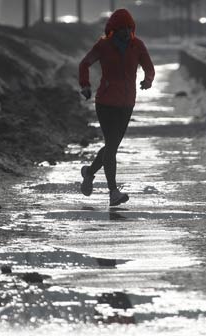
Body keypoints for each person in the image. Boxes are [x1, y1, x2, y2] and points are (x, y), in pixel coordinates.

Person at [78, 8, 155, 206]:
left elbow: (149, 68)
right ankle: (113, 192)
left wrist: (148, 80)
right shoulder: (103, 46)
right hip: (105, 102)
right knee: (111, 147)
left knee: (111, 146)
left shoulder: (137, 46)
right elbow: (84, 64)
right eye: (122, 28)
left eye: (130, 27)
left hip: (127, 103)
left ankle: (89, 172)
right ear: (113, 29)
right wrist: (85, 85)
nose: (126, 32)